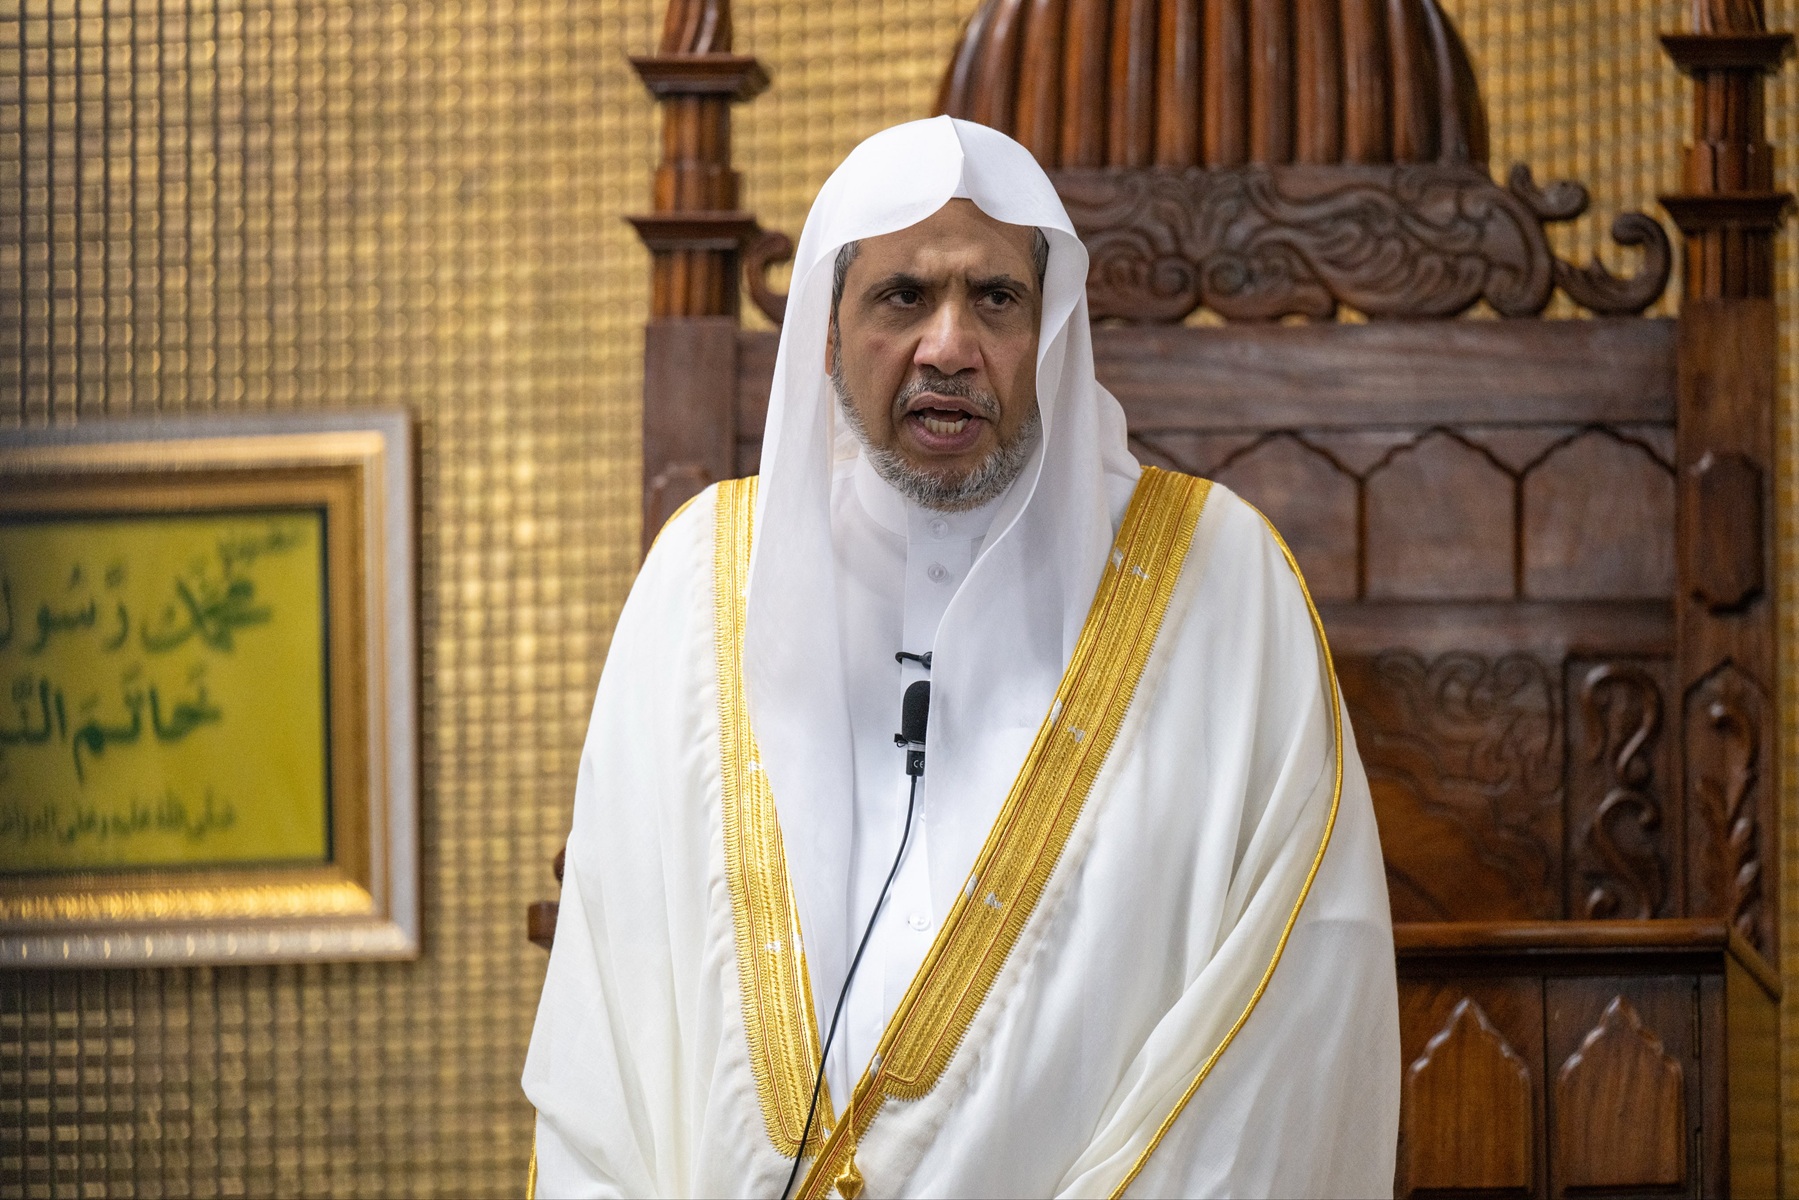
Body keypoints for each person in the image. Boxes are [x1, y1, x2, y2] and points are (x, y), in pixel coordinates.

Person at [523, 116, 1399, 1199]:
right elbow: (608, 1024)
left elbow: (1295, 1001)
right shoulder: (696, 579)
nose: (948, 345)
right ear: (828, 332)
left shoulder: (1223, 581)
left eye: (994, 298)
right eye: (902, 297)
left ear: (1050, 332)